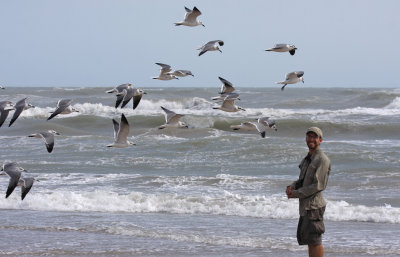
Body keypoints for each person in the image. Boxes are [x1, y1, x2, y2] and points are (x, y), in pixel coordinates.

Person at [286, 127, 331, 257]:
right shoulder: (308, 158)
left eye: (314, 137)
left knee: (315, 241)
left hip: (314, 207)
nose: (311, 139)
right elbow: (302, 179)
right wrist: (292, 186)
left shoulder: (322, 160)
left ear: (320, 140)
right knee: (310, 241)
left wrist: (296, 194)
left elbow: (318, 186)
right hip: (307, 206)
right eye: (309, 136)